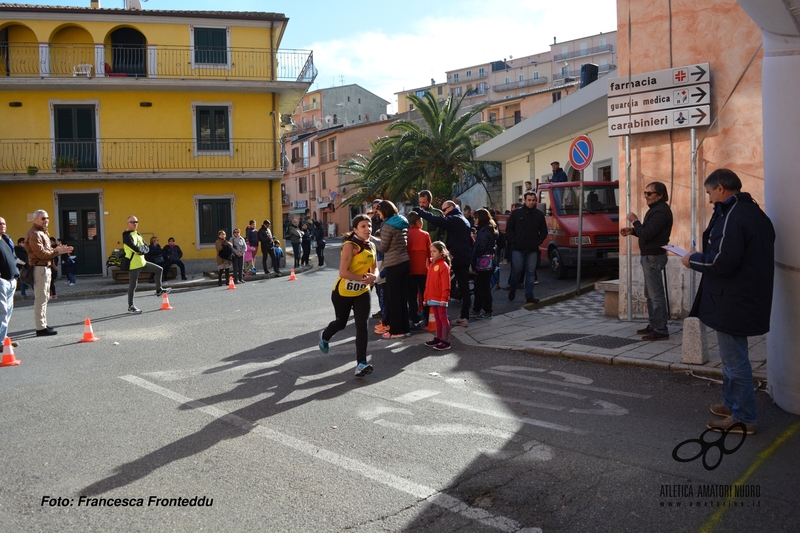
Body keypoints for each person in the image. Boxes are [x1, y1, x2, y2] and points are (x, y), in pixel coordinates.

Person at [680, 169, 775, 435]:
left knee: (735, 360)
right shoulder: (753, 211)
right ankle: (733, 404)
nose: (709, 200)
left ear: (721, 188)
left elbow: (721, 261)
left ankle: (744, 417)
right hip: (743, 296)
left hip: (733, 299)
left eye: (710, 193)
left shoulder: (734, 216)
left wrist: (692, 259)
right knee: (732, 356)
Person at [318, 214, 378, 378]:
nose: (367, 229)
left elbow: (375, 268)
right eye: (363, 226)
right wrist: (365, 278)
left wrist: (375, 277)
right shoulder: (350, 246)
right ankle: (324, 336)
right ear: (355, 229)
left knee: (362, 326)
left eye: (369, 226)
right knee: (341, 323)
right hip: (342, 292)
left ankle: (361, 363)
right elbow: (343, 272)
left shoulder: (372, 246)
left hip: (362, 292)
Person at [620, 181, 673, 341]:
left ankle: (661, 330)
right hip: (650, 255)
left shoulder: (661, 211)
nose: (646, 196)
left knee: (656, 295)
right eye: (645, 193)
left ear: (660, 195)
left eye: (649, 193)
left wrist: (635, 221)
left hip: (654, 257)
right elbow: (647, 232)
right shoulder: (656, 210)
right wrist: (634, 231)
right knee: (650, 294)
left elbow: (648, 234)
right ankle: (654, 324)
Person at [415, 200, 472, 327]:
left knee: (445, 283)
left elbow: (437, 220)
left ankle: (459, 316)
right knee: (463, 286)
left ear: (451, 207)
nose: (444, 213)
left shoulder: (455, 219)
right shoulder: (462, 218)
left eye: (445, 210)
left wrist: (420, 212)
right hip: (463, 256)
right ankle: (463, 316)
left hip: (458, 257)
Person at [25, 210, 72, 335]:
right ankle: (40, 328)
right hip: (40, 268)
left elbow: (47, 251)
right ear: (35, 220)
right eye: (43, 218)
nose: (46, 221)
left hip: (44, 267)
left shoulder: (41, 233)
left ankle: (43, 324)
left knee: (44, 297)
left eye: (47, 218)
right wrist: (58, 251)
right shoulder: (35, 234)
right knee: (41, 298)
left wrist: (59, 250)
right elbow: (41, 254)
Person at [372, 200, 411, 339]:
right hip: (404, 262)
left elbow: (383, 247)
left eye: (379, 211)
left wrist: (372, 240)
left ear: (385, 211)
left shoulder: (388, 225)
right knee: (402, 298)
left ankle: (396, 331)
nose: (378, 213)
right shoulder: (402, 221)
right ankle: (405, 329)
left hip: (393, 264)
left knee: (393, 299)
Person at [122, 216, 171, 314]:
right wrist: (141, 249)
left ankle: (159, 290)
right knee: (133, 285)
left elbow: (146, 247)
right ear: (128, 223)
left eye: (136, 222)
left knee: (159, 269)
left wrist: (141, 250)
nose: (135, 223)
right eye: (132, 222)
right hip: (134, 265)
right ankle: (131, 306)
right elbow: (135, 248)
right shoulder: (126, 235)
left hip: (142, 262)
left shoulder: (138, 234)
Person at [506, 192, 548, 304]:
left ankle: (529, 295)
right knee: (517, 271)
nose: (531, 202)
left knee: (530, 273)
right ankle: (513, 288)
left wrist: (538, 241)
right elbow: (509, 229)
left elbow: (544, 231)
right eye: (529, 200)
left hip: (532, 249)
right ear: (524, 200)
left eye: (533, 200)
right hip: (517, 248)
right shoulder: (516, 213)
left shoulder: (539, 215)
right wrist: (513, 240)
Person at [423, 241, 452, 351]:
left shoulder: (443, 266)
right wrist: (426, 298)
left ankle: (446, 340)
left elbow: (446, 284)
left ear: (441, 252)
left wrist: (444, 299)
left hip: (440, 298)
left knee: (443, 319)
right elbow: (428, 283)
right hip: (432, 297)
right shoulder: (431, 265)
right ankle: (439, 337)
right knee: (437, 320)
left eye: (434, 251)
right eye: (431, 251)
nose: (432, 253)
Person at [471, 209, 498, 320]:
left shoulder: (485, 230)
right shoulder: (486, 228)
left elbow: (481, 247)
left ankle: (487, 310)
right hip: (486, 261)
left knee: (483, 287)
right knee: (479, 286)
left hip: (484, 262)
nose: (474, 219)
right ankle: (477, 309)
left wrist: (473, 257)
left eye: (476, 217)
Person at [406, 211, 431, 327]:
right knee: (425, 294)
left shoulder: (406, 234)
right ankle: (427, 317)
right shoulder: (425, 234)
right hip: (423, 270)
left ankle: (413, 318)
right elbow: (430, 253)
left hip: (410, 269)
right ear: (418, 221)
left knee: (411, 295)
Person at [1, 217, 20, 344]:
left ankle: (2, 338)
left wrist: (16, 274)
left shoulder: (6, 239)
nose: (2, 225)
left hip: (11, 280)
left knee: (7, 311)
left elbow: (13, 257)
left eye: (3, 223)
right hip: (1, 281)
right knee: (2, 311)